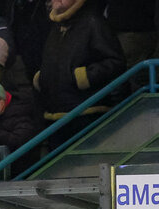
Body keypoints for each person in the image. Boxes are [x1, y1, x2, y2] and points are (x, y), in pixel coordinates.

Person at [34, 0, 125, 147]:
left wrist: (85, 77)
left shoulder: (93, 22)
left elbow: (115, 62)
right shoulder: (57, 26)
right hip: (55, 116)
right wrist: (43, 77)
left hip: (86, 115)